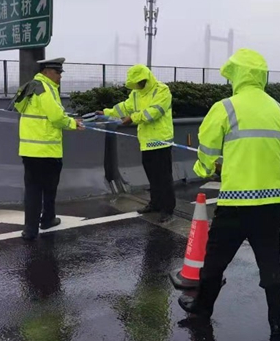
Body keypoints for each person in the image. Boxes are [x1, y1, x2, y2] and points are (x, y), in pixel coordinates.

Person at [178, 49, 280, 341]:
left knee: (215, 261)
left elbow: (208, 148)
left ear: (238, 75)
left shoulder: (226, 107)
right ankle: (277, 323)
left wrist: (204, 167)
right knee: (270, 263)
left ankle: (202, 310)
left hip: (237, 201)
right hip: (272, 202)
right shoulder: (277, 108)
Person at [13, 57, 85, 241]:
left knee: (32, 190)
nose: (60, 76)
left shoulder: (29, 86)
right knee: (49, 188)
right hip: (47, 151)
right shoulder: (45, 89)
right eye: (57, 72)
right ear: (46, 72)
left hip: (29, 150)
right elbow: (56, 117)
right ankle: (47, 219)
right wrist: (72, 123)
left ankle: (29, 230)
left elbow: (18, 107)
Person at [98, 64, 176, 223]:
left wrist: (133, 118)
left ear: (146, 79)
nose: (137, 86)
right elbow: (125, 107)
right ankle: (155, 203)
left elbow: (155, 112)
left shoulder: (161, 90)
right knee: (152, 175)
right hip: (146, 142)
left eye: (139, 82)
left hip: (160, 141)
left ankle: (167, 209)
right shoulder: (136, 93)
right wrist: (107, 112)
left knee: (163, 177)